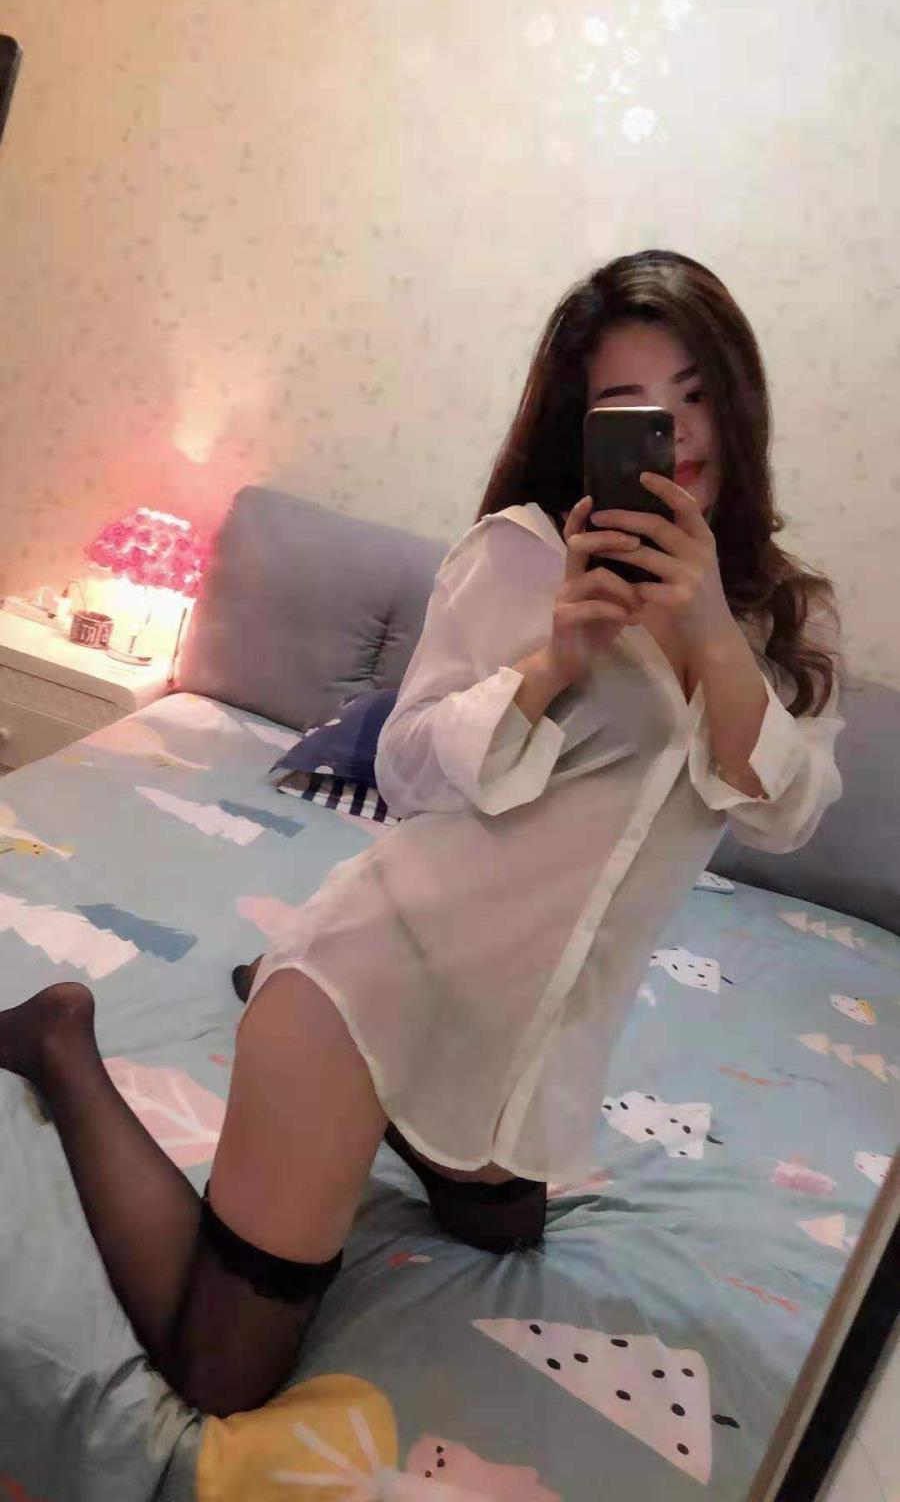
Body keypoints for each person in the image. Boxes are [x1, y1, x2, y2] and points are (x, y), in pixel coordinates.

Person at [0, 251, 843, 1417]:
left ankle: (360, 1080)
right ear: (586, 429)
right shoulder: (519, 557)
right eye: (630, 406)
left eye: (694, 394)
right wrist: (555, 660)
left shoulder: (782, 616)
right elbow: (405, 768)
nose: (674, 432)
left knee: (504, 1234)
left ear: (739, 399)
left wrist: (707, 626)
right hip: (375, 981)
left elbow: (788, 811)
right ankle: (63, 1041)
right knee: (221, 1372)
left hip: (511, 1042)